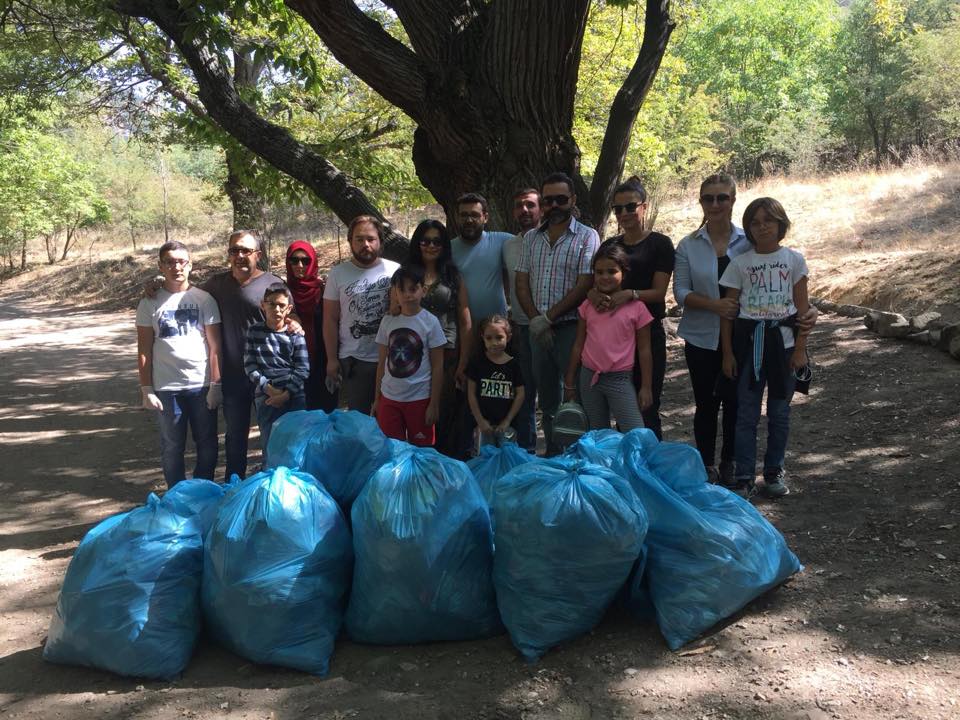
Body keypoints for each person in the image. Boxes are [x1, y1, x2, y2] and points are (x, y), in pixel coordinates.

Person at [720, 197, 810, 499]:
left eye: (768, 221)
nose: (762, 227)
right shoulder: (740, 263)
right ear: (748, 227)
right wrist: (728, 353)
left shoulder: (794, 260)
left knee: (779, 412)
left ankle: (773, 471)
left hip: (783, 347)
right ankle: (745, 475)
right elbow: (729, 312)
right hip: (749, 348)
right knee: (746, 413)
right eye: (755, 222)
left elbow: (803, 311)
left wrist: (800, 349)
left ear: (780, 223)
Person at [516, 172, 600, 455]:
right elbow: (521, 281)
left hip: (571, 329)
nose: (554, 205)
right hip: (537, 330)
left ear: (572, 200)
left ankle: (578, 456)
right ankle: (553, 454)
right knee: (547, 398)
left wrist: (548, 317)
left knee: (574, 395)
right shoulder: (530, 239)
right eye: (548, 200)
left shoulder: (588, 236)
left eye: (561, 199)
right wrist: (535, 319)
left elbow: (585, 283)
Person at [591, 177, 674, 439]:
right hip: (613, 338)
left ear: (644, 207)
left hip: (647, 334)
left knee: (646, 404)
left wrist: (630, 295)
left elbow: (659, 292)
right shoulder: (610, 246)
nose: (624, 214)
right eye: (618, 209)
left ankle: (650, 467)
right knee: (619, 407)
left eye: (630, 207)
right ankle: (624, 466)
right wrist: (594, 295)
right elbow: (595, 284)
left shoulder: (660, 243)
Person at [136, 241, 222, 487]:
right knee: (172, 445)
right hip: (166, 387)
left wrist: (216, 384)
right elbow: (144, 349)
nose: (177, 267)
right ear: (161, 266)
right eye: (170, 262)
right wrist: (146, 390)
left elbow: (215, 345)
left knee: (207, 441)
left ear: (190, 265)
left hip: (201, 383)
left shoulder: (204, 300)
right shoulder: (149, 303)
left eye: (182, 261)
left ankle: (202, 491)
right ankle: (176, 496)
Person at [201, 231, 285, 480]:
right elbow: (185, 295)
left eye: (245, 251)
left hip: (268, 375)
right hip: (233, 375)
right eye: (234, 250)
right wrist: (157, 285)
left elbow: (290, 319)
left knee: (272, 434)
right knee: (235, 437)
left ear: (257, 255)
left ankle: (273, 487)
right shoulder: (216, 285)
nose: (239, 256)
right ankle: (233, 487)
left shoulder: (273, 283)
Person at [564, 243, 653, 432]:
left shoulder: (637, 308)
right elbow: (578, 344)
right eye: (599, 272)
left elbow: (644, 350)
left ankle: (633, 463)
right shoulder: (587, 306)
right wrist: (570, 380)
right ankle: (601, 463)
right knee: (597, 435)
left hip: (619, 378)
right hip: (589, 378)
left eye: (612, 271)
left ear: (624, 273)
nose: (605, 277)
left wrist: (646, 387)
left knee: (635, 433)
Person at [406, 219, 472, 455]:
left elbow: (465, 321)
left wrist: (463, 363)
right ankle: (420, 461)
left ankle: (446, 462)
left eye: (437, 241)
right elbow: (395, 309)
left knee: (444, 410)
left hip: (448, 352)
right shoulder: (407, 275)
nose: (431, 245)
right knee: (418, 408)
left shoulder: (453, 276)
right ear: (417, 243)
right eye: (425, 240)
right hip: (413, 353)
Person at [323, 215, 400, 414]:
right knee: (360, 419)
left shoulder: (394, 271)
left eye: (371, 239)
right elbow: (330, 319)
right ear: (350, 242)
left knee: (389, 418)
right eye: (359, 239)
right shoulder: (338, 273)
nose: (365, 244)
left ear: (380, 241)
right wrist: (332, 359)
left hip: (393, 357)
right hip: (354, 358)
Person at [372, 265, 446, 446]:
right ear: (395, 292)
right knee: (391, 449)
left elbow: (438, 366)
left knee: (422, 450)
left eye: (413, 289)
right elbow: (382, 362)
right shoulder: (388, 321)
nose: (407, 295)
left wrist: (434, 403)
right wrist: (377, 399)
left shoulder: (430, 322)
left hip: (419, 398)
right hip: (389, 398)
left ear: (424, 290)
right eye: (401, 289)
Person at [243, 283, 310, 461]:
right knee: (270, 444)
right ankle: (272, 479)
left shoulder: (295, 335)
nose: (276, 309)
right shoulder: (254, 331)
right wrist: (268, 388)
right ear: (262, 305)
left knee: (296, 445)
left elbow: (303, 368)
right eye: (271, 304)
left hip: (293, 396)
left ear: (289, 309)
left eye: (281, 305)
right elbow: (250, 365)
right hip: (267, 397)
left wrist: (286, 394)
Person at [501, 188, 541, 452]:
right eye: (519, 205)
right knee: (523, 391)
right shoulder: (508, 245)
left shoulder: (548, 239)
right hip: (520, 327)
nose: (524, 210)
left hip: (552, 325)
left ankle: (559, 451)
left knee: (554, 392)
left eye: (530, 205)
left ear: (541, 208)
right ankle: (526, 450)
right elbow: (507, 281)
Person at [286, 241, 337, 412]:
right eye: (294, 260)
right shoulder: (281, 293)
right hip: (293, 364)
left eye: (306, 260)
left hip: (324, 361)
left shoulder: (325, 290)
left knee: (327, 413)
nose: (300, 265)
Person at [466, 315, 526, 452]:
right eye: (489, 338)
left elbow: (520, 393)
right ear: (482, 337)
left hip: (507, 425)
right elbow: (471, 393)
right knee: (484, 457)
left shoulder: (514, 365)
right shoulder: (477, 362)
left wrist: (508, 420)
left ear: (508, 337)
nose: (494, 342)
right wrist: (480, 420)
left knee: (507, 455)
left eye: (499, 337)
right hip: (483, 424)